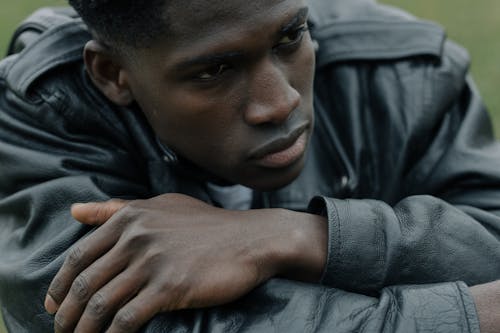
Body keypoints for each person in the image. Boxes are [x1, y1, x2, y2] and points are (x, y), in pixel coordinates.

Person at [0, 0, 499, 332]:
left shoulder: (406, 73)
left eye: (290, 38)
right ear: (112, 74)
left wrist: (290, 237)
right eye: (215, 70)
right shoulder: (44, 111)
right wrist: (476, 317)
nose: (279, 104)